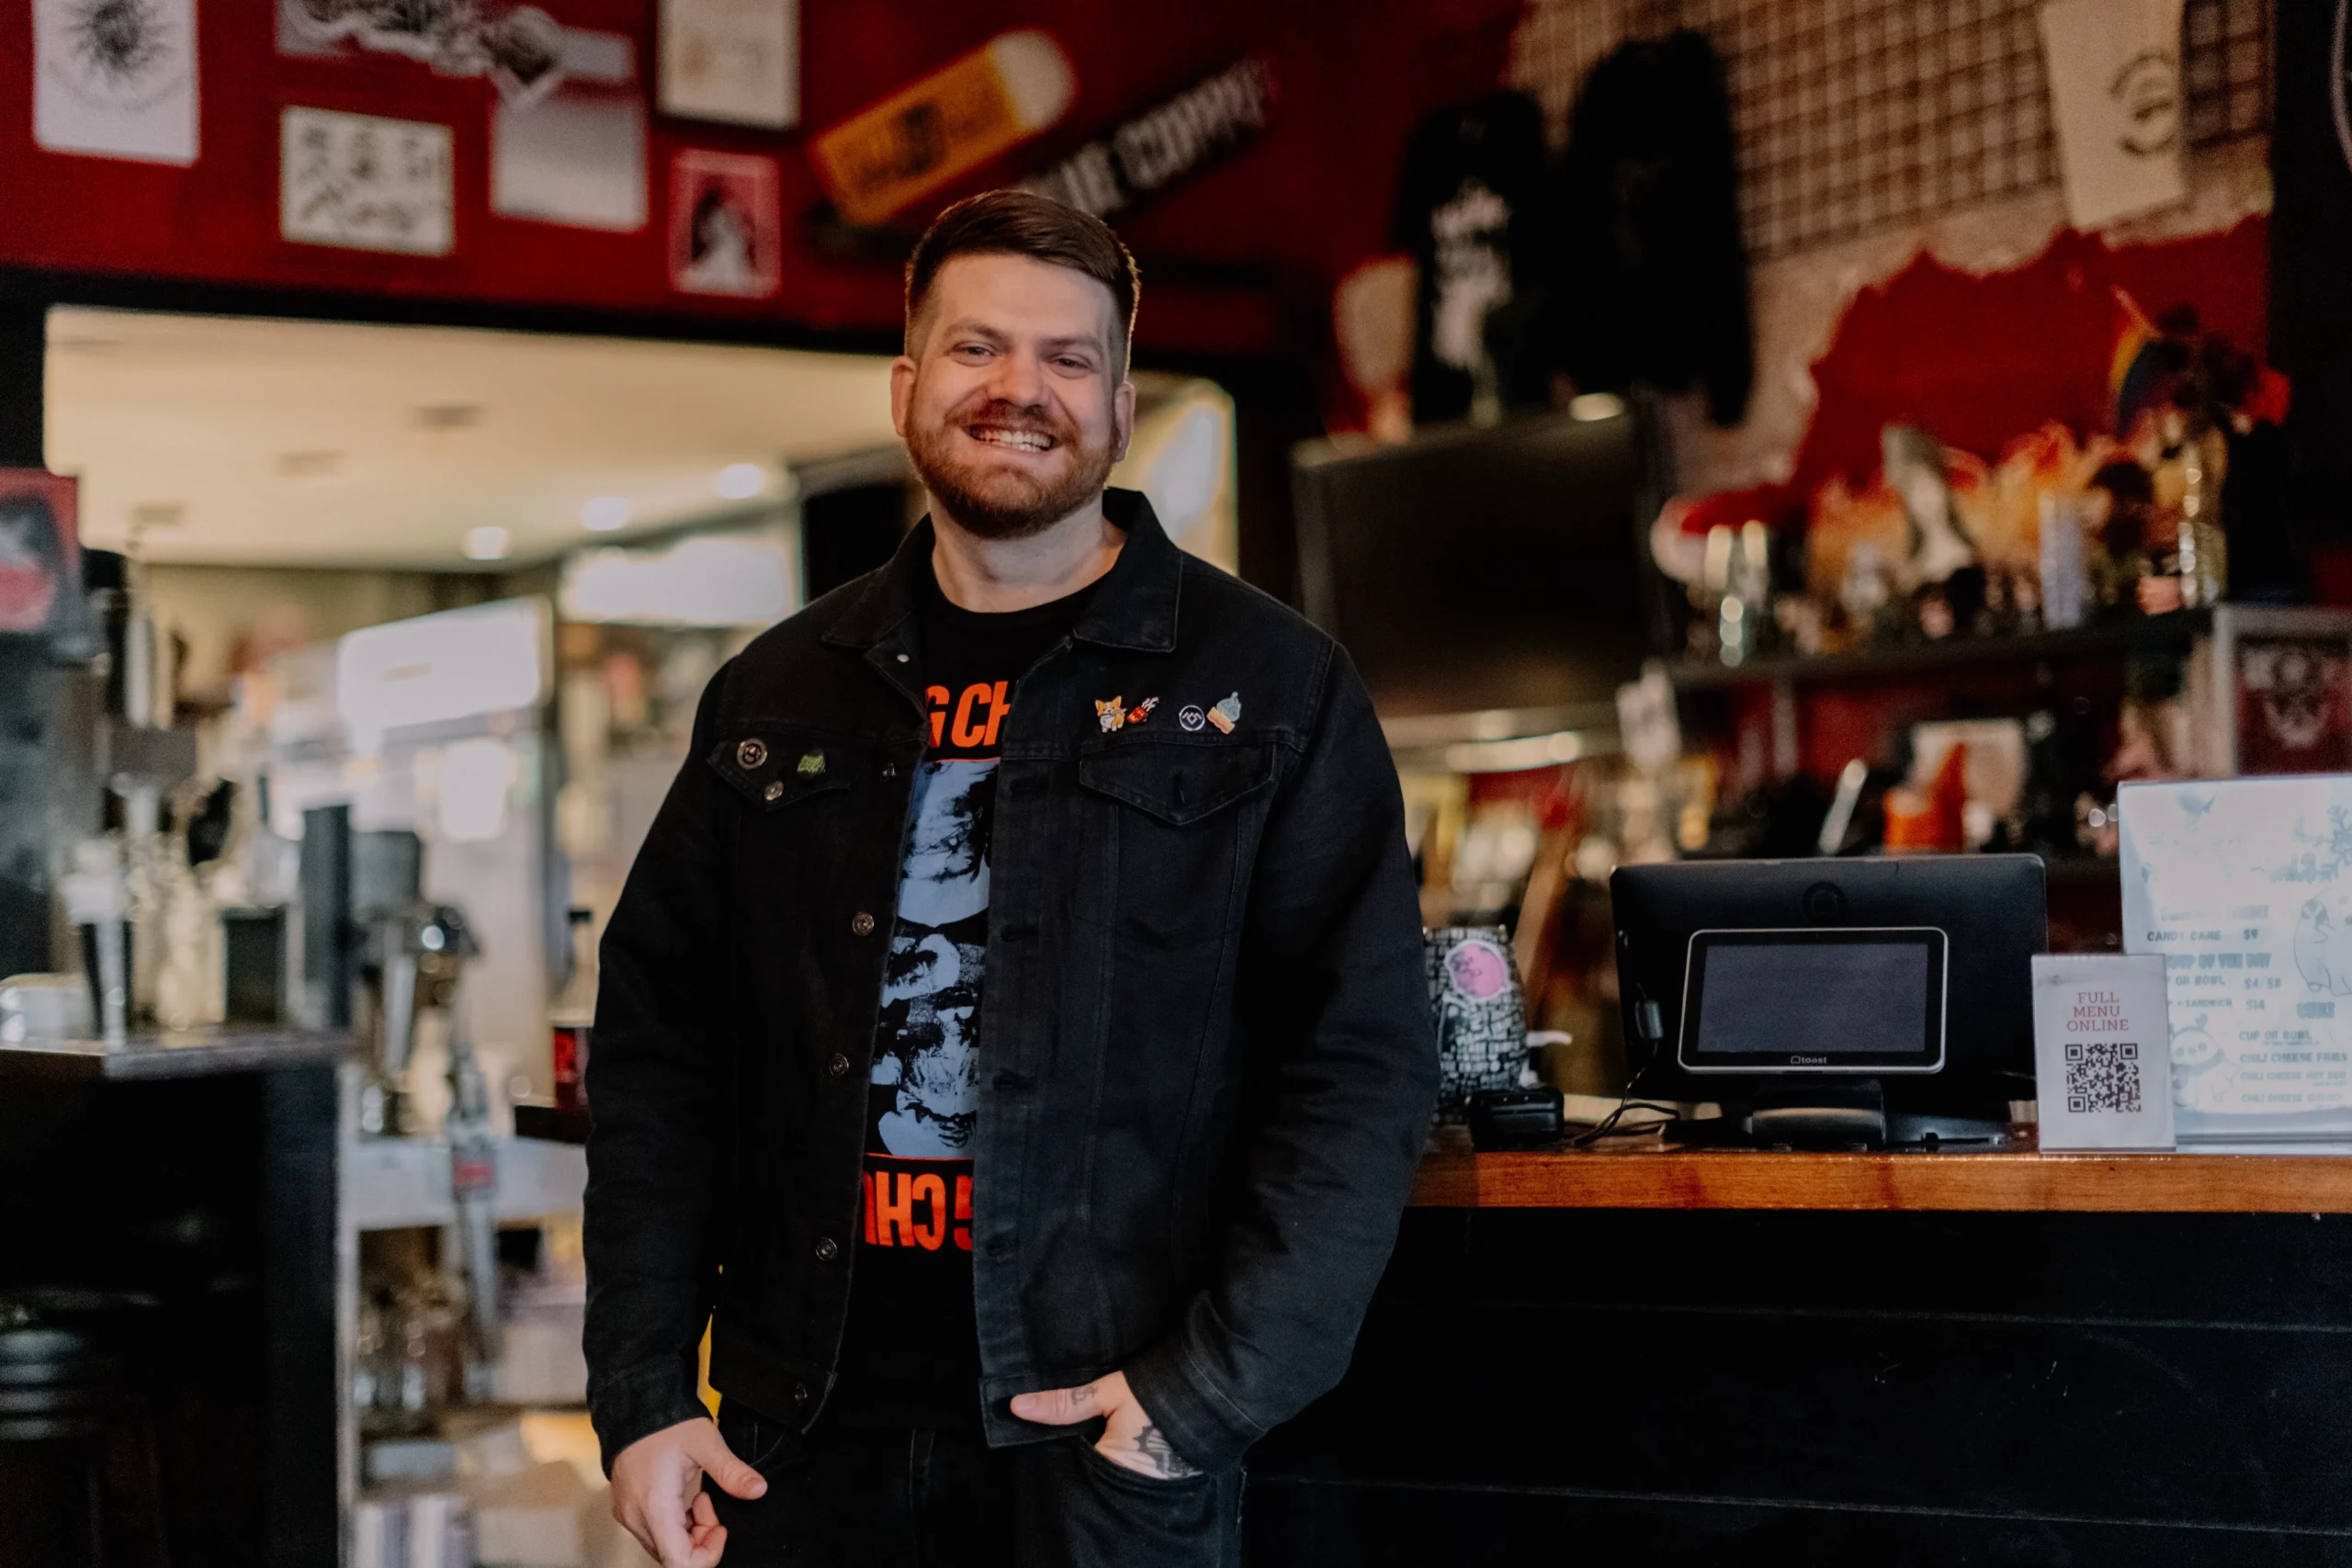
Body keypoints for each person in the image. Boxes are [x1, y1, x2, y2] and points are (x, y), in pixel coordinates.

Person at [585, 188, 1437, 1568]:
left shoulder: (1268, 686)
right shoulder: (778, 690)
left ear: (1117, 401)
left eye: (1067, 358)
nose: (1020, 390)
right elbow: (657, 1053)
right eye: (979, 349)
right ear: (909, 387)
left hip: (1098, 1444)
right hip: (796, 1438)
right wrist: (639, 1396)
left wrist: (1198, 1396)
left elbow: (1363, 1066)